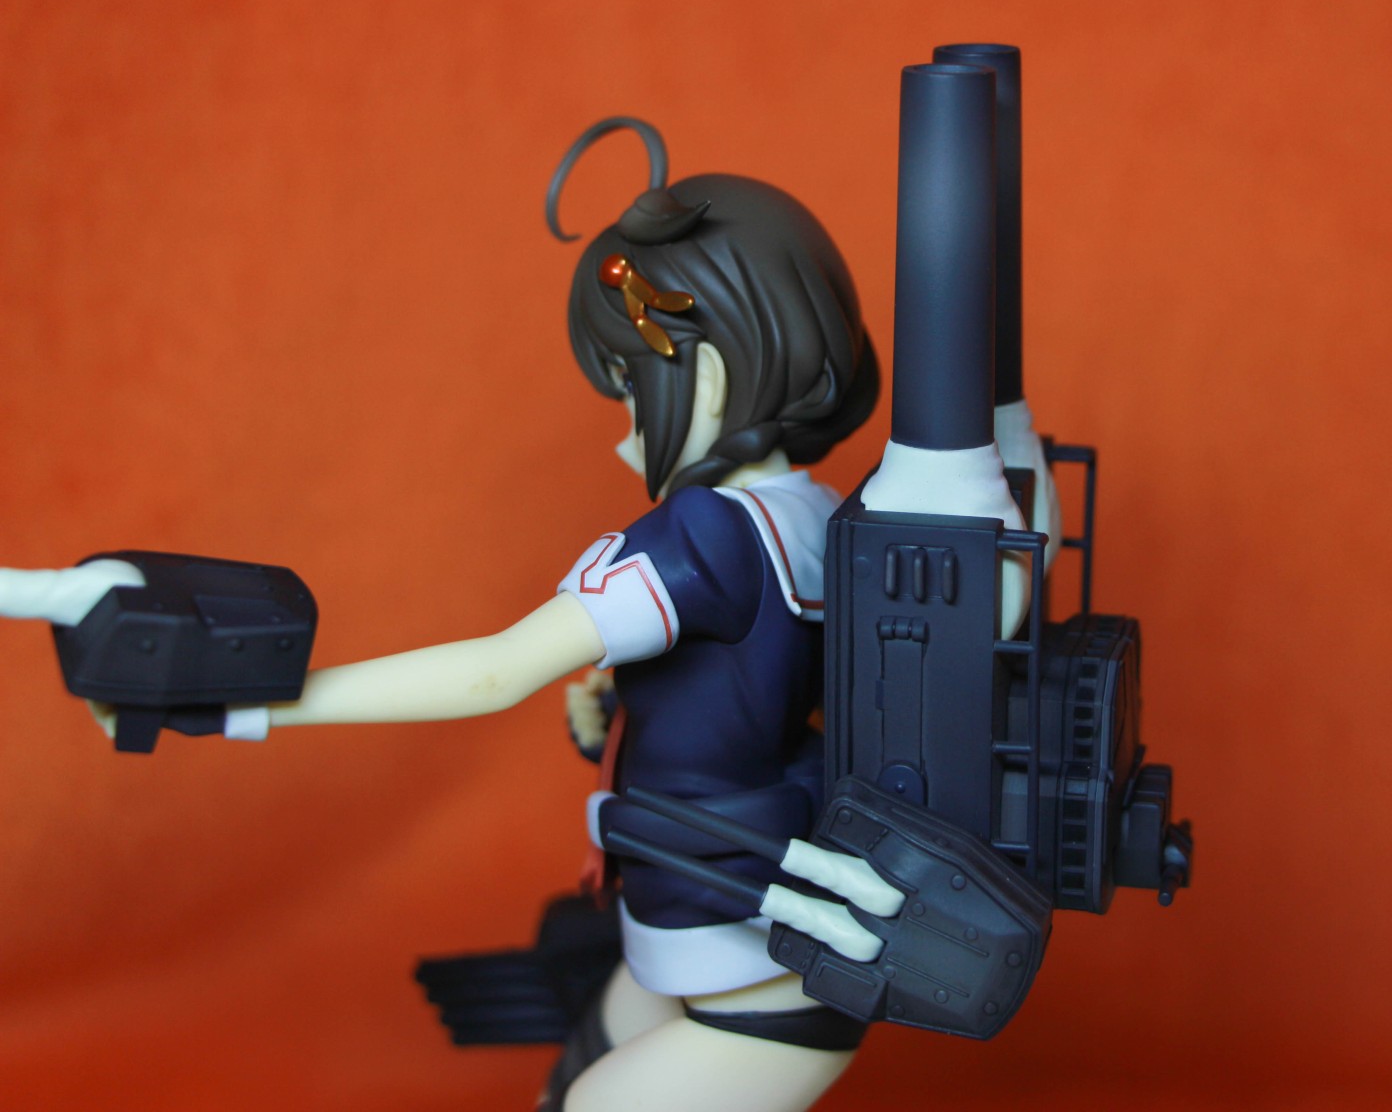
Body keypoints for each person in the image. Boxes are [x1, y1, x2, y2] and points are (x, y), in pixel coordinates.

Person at [7, 118, 881, 1112]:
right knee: (577, 1074)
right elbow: (756, 686)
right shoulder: (812, 514)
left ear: (708, 375)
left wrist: (238, 703)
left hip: (750, 966)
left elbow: (493, 672)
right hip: (700, 923)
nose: (625, 435)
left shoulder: (702, 537)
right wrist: (623, 712)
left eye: (632, 394)